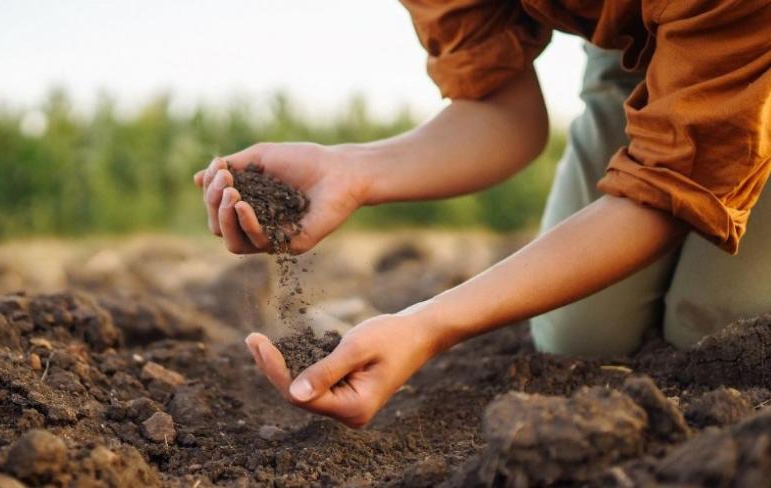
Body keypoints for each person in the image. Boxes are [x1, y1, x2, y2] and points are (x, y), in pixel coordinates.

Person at [194, 1, 771, 428]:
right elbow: (501, 110)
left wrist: (428, 325)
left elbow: (667, 191)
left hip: (744, 36)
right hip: (639, 42)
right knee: (582, 336)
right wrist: (353, 169)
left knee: (716, 331)